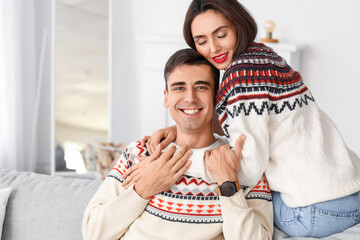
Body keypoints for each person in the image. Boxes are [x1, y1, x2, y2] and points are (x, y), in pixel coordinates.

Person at [129, 0, 360, 238]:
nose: (214, 48)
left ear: (238, 26)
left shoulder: (242, 76)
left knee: (226, 207)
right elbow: (246, 118)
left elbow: (247, 170)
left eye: (221, 35)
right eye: (201, 41)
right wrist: (178, 129)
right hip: (348, 190)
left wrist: (171, 165)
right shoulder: (262, 55)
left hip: (314, 211)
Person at [82, 48, 273, 240]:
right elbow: (92, 233)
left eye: (201, 87)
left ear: (217, 97)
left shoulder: (244, 161)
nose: (190, 97)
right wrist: (144, 188)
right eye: (179, 88)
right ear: (166, 98)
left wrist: (228, 185)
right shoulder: (138, 152)